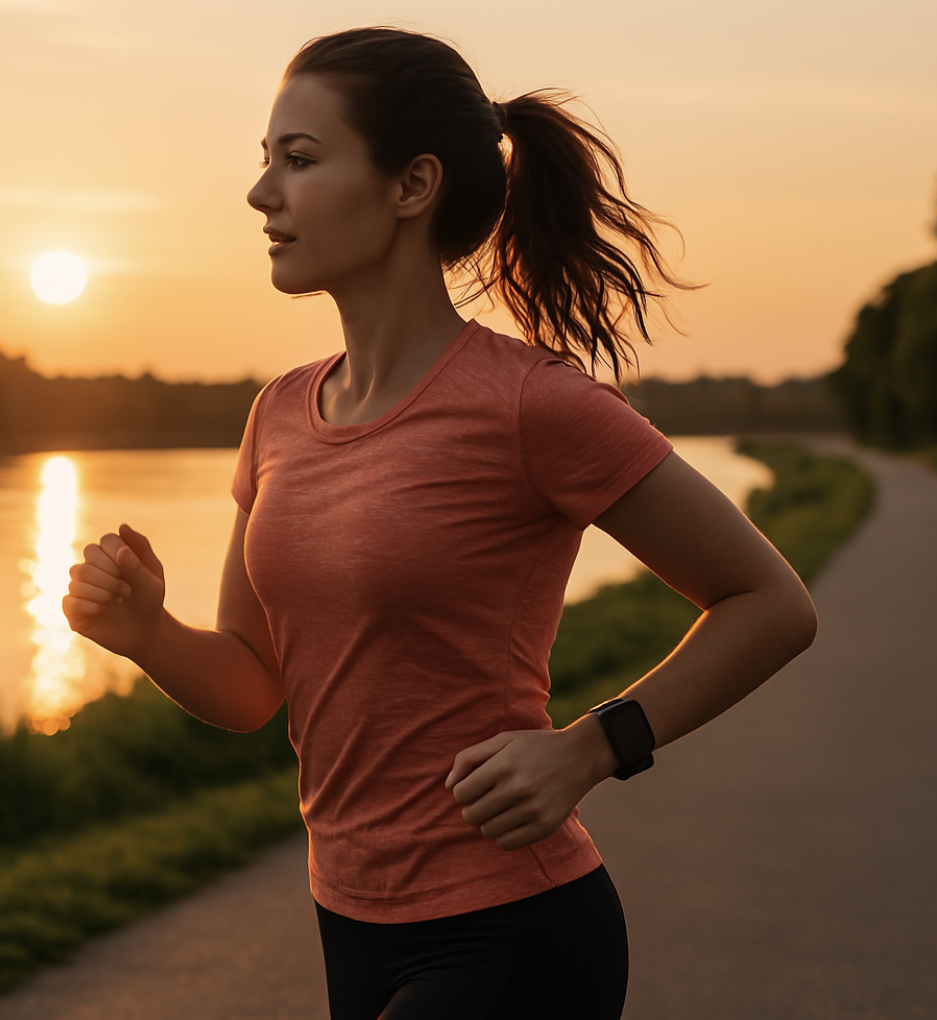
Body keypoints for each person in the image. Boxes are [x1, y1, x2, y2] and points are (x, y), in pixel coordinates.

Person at [62, 26, 818, 1020]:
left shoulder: (530, 405)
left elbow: (770, 602)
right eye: (265, 160)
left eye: (299, 160)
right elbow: (253, 688)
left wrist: (593, 747)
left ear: (412, 185)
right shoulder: (277, 415)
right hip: (349, 920)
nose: (260, 193)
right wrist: (148, 634)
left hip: (517, 928)